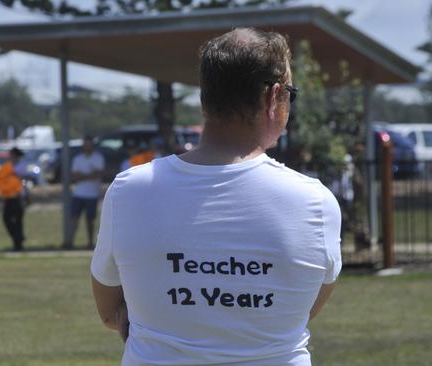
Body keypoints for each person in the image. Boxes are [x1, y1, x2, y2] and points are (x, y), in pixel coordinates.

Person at [91, 28, 341, 366]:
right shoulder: (315, 202)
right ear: (273, 98)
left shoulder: (129, 191)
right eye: (290, 96)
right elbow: (299, 312)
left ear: (205, 97)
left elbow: (109, 313)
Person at [70, 136, 105, 249]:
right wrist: (89, 175)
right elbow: (75, 176)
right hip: (78, 194)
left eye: (89, 144)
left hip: (92, 194)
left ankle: (90, 242)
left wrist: (83, 176)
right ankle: (70, 242)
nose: (87, 146)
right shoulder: (77, 158)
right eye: (86, 144)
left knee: (90, 219)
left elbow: (98, 174)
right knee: (74, 217)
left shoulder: (98, 158)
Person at [0, 147, 27, 251]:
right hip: (8, 197)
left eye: (11, 155)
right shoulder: (7, 166)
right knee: (7, 219)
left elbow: (20, 178)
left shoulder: (20, 166)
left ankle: (18, 244)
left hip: (17, 197)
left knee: (18, 221)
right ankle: (18, 238)